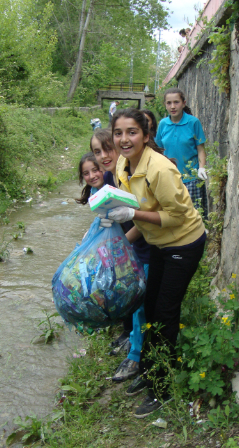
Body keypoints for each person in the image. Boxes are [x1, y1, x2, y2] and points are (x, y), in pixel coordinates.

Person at [102, 108, 206, 418]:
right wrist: (109, 245)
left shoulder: (160, 170)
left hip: (183, 244)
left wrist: (132, 215)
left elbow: (177, 217)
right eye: (118, 133)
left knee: (165, 312)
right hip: (159, 242)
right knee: (149, 305)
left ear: (147, 136)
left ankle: (160, 388)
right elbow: (135, 213)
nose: (124, 139)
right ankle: (149, 369)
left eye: (132, 132)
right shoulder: (122, 164)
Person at [91, 129, 151, 382]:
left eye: (107, 149)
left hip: (148, 245)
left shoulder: (131, 174)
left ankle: (137, 358)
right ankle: (133, 341)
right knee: (129, 297)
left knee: (139, 302)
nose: (104, 156)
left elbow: (143, 219)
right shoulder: (107, 176)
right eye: (97, 151)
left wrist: (119, 245)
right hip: (130, 246)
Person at [155, 88, 208, 218]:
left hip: (191, 177)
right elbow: (159, 151)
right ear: (165, 105)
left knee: (195, 215)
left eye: (176, 102)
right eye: (169, 103)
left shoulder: (193, 122)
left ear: (183, 103)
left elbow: (200, 149)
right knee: (174, 215)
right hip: (170, 178)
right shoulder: (163, 124)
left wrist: (201, 168)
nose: (172, 106)